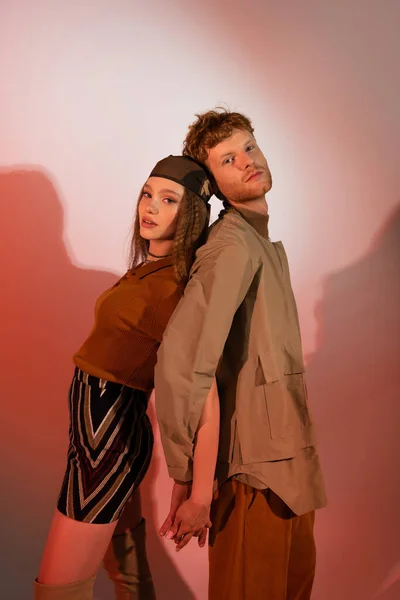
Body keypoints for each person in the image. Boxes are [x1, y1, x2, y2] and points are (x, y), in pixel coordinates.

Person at [155, 109, 328, 599]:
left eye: (248, 147)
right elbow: (185, 364)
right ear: (213, 182)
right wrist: (190, 476)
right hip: (255, 474)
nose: (247, 162)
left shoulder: (258, 240)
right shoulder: (231, 245)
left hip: (289, 467)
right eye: (228, 159)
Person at [34, 155, 218, 600]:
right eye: (147, 194)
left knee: (58, 590)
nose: (149, 208)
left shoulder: (176, 291)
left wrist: (200, 493)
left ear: (192, 214)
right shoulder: (147, 272)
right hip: (101, 436)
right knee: (128, 572)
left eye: (168, 199)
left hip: (107, 440)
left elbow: (207, 396)